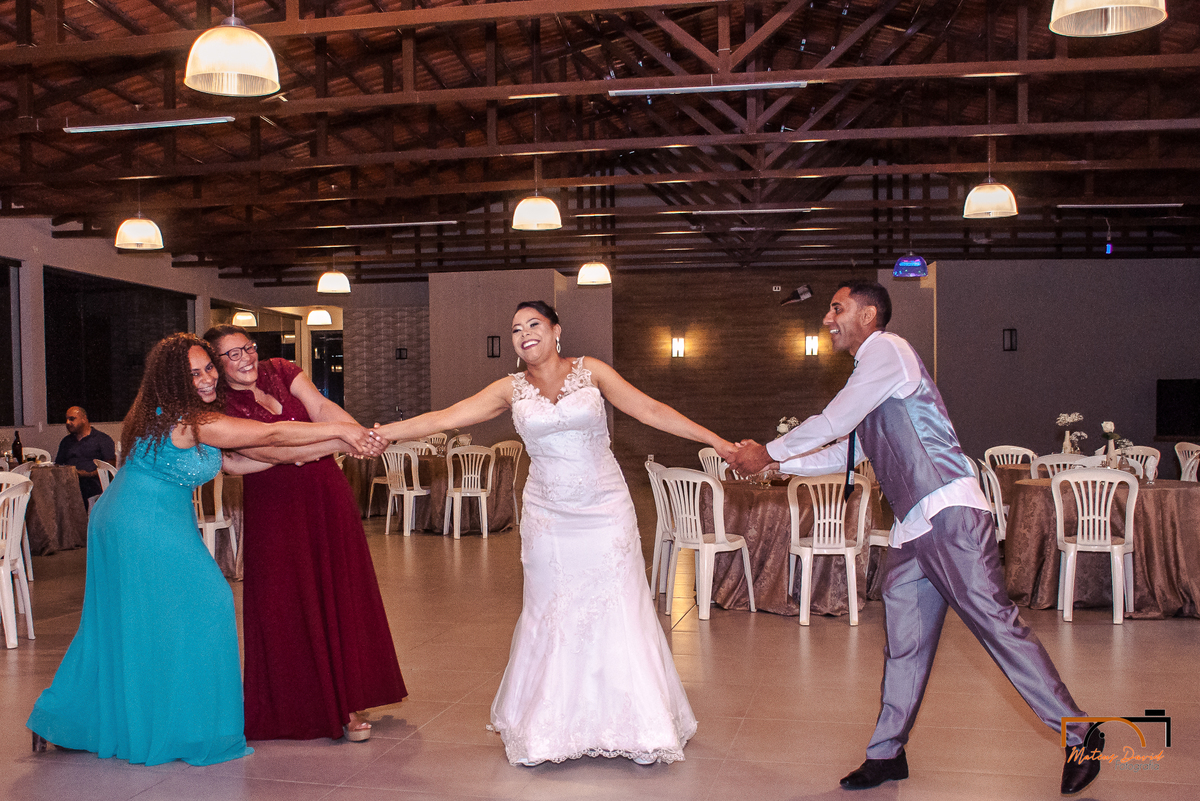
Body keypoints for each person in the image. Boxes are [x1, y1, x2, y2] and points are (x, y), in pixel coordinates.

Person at [727, 281, 1102, 796]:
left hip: (949, 511)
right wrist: (776, 466)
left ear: (868, 314)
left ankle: (1080, 732)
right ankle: (887, 753)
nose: (827, 318)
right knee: (904, 645)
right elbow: (846, 453)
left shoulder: (889, 350)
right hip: (913, 527)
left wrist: (768, 451)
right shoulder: (871, 376)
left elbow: (832, 420)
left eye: (837, 308)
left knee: (997, 627)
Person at [375, 300, 738, 766]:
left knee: (618, 607)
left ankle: (635, 723)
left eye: (534, 325)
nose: (524, 334)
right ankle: (551, 727)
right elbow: (448, 417)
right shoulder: (509, 389)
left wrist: (719, 442)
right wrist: (385, 433)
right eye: (515, 329)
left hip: (605, 510)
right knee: (551, 609)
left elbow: (650, 410)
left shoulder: (593, 373)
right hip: (548, 515)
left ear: (556, 330)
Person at [27, 333, 382, 766]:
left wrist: (323, 449)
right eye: (193, 374)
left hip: (144, 518)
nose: (207, 378)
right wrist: (345, 431)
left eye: (208, 368)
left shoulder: (185, 418)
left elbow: (236, 462)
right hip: (139, 521)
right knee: (209, 603)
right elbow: (276, 434)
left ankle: (65, 717)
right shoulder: (188, 418)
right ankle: (192, 728)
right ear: (174, 380)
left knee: (124, 622)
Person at [202, 325, 407, 743]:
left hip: (326, 495)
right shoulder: (220, 406)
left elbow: (321, 406)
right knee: (289, 600)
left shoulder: (281, 368)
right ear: (217, 367)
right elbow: (272, 450)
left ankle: (348, 698)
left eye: (248, 348)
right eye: (232, 355)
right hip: (276, 510)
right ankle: (305, 704)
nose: (245, 359)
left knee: (339, 593)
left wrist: (353, 431)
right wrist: (340, 441)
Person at [54, 406, 116, 502]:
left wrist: (88, 474)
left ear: (83, 419)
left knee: (80, 488)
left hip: (93, 483)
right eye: (66, 419)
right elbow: (58, 464)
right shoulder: (66, 441)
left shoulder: (102, 439)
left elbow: (110, 467)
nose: (67, 423)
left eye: (72, 419)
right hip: (69, 481)